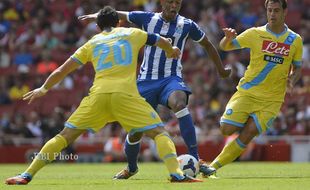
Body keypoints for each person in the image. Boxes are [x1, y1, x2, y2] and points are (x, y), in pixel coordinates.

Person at [5, 6, 202, 185]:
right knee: (160, 133)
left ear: (98, 27)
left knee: (64, 136)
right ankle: (176, 174)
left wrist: (44, 89)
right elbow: (158, 39)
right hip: (125, 97)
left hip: (98, 96)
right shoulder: (132, 33)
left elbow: (61, 70)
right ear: (118, 22)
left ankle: (26, 175)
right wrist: (172, 49)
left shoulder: (91, 43)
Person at [79, 0, 230, 178]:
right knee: (136, 131)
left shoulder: (187, 25)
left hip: (171, 79)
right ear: (162, 3)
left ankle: (196, 159)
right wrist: (98, 16)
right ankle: (131, 167)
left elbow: (207, 44)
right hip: (145, 82)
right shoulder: (147, 19)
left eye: (177, 3)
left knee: (180, 104)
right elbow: (120, 14)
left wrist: (220, 70)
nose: (174, 6)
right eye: (170, 2)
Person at [202, 0, 303, 177]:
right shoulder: (255, 33)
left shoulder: (295, 40)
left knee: (248, 133)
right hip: (247, 92)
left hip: (272, 100)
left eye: (276, 10)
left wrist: (292, 80)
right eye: (270, 10)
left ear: (285, 12)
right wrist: (228, 38)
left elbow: (298, 67)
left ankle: (213, 167)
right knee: (226, 129)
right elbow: (225, 47)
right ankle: (240, 121)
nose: (272, 14)